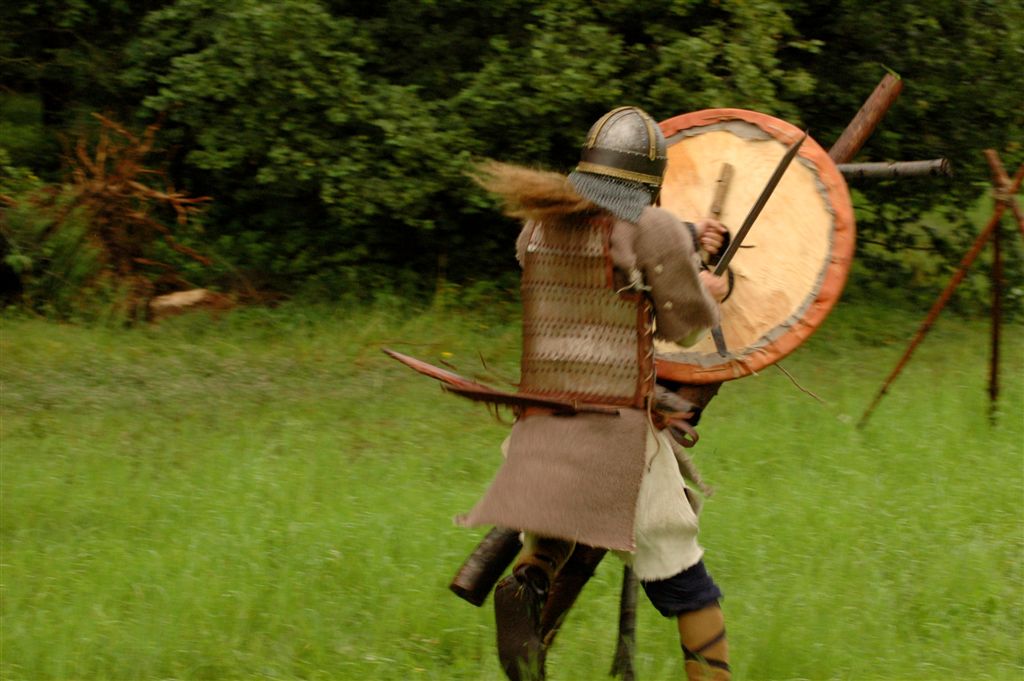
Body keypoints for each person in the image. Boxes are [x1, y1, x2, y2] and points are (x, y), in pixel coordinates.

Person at [461, 106, 732, 681]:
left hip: (543, 425)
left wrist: (686, 241)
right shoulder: (653, 228)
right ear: (650, 179)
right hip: (618, 437)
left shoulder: (538, 227)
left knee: (555, 533)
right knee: (684, 573)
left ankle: (528, 580)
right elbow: (682, 326)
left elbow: (612, 252)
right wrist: (710, 288)